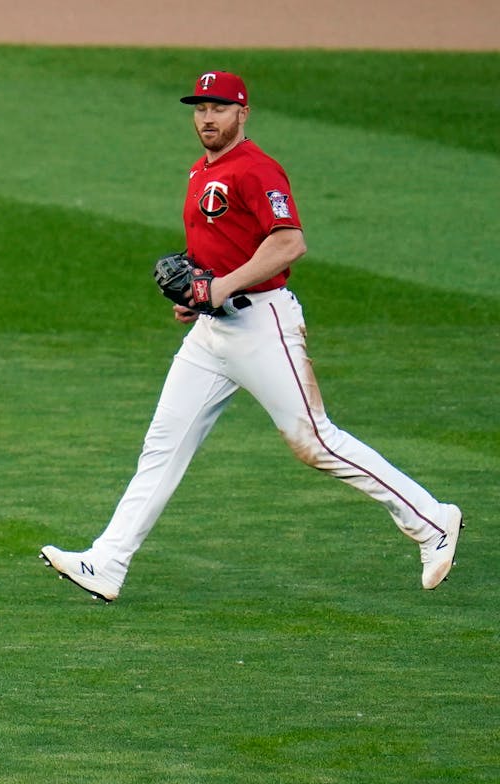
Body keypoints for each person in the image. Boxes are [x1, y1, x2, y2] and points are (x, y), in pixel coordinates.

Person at [41, 71, 462, 602]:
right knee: (162, 445)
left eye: (218, 108)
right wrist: (196, 294)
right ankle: (107, 561)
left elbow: (288, 245)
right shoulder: (201, 171)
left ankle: (432, 519)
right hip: (212, 334)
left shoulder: (257, 170)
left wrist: (219, 288)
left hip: (264, 325)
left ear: (242, 113)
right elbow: (218, 250)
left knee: (315, 441)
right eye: (200, 109)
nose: (207, 118)